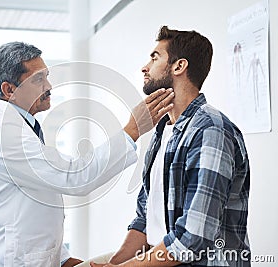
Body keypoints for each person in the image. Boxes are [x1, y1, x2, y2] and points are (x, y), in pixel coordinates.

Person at [0, 41, 175, 267]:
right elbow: (73, 177)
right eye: (38, 79)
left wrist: (63, 260)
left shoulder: (21, 127)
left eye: (47, 76)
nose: (49, 85)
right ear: (9, 90)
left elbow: (35, 207)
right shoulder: (4, 133)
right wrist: (132, 130)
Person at [89, 26, 251, 267]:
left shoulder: (211, 130)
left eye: (155, 58)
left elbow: (192, 239)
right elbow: (145, 219)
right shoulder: (163, 129)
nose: (145, 67)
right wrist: (114, 264)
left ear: (179, 66)